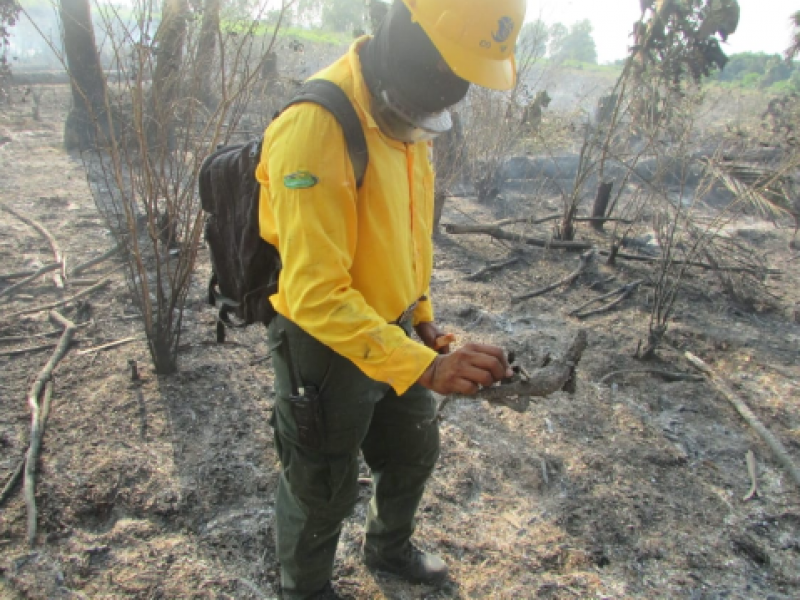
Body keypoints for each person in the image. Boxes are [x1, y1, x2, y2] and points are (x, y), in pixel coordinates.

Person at [255, 1, 526, 597]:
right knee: (322, 482)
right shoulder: (317, 126)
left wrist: (424, 324)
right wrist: (426, 366)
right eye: (445, 71)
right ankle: (303, 589)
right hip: (324, 343)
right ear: (406, 32)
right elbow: (314, 293)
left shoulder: (411, 114)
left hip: (398, 333)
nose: (448, 91)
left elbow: (406, 236)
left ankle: (388, 548)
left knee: (411, 452)